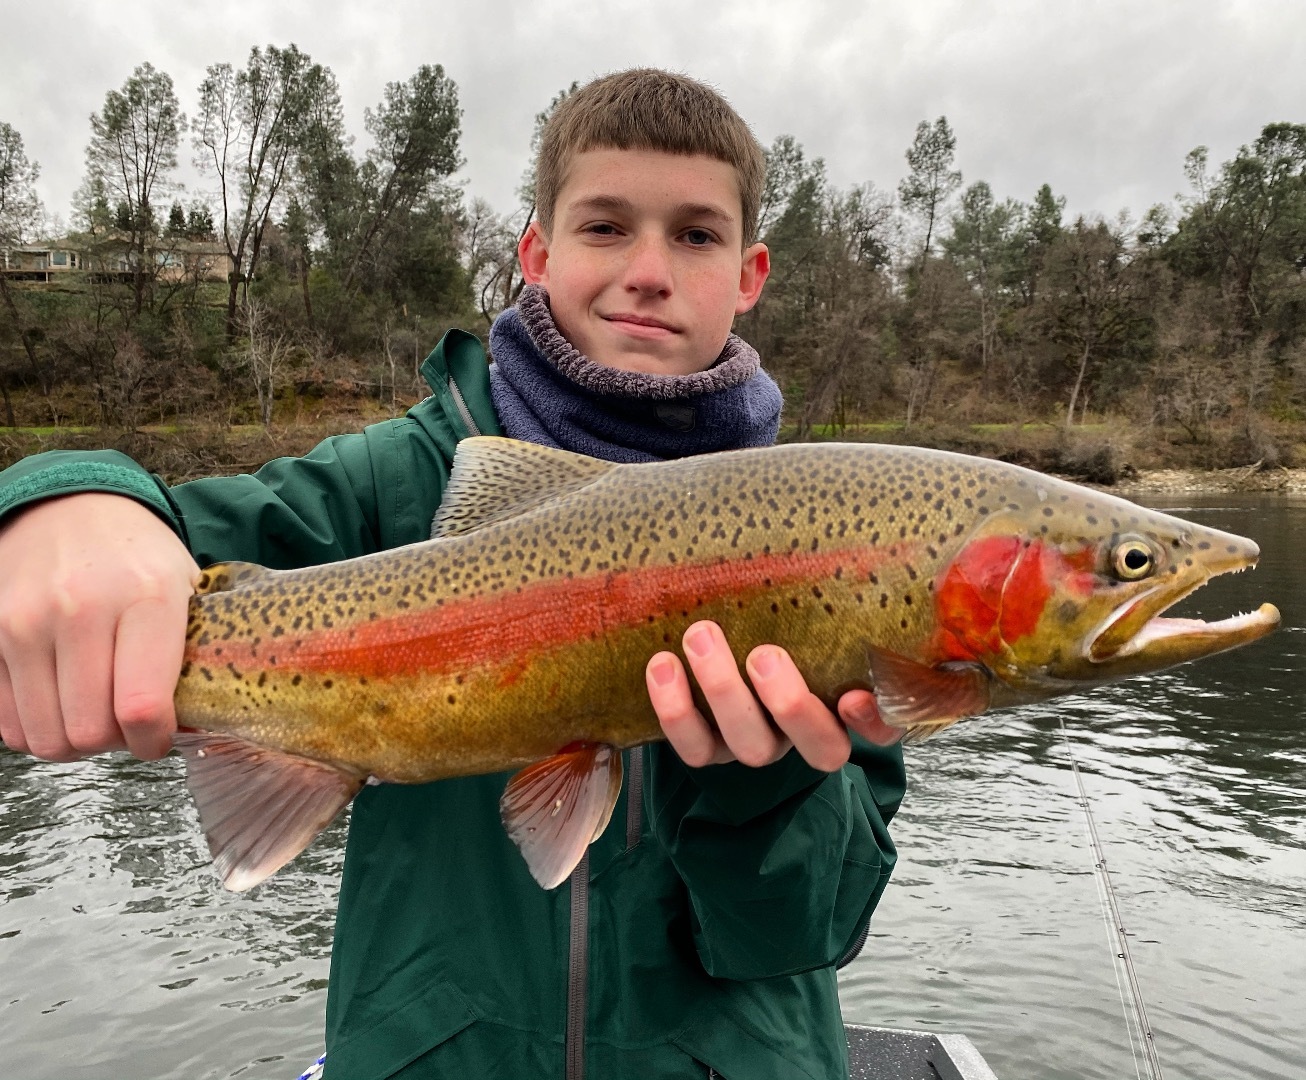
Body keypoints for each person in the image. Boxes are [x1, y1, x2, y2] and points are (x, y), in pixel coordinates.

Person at [0, 69, 906, 1079]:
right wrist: (63, 498)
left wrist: (768, 777)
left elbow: (805, 929)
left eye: (695, 235)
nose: (649, 269)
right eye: (605, 226)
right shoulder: (385, 486)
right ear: (536, 252)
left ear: (749, 274)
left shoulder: (840, 538)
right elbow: (160, 536)